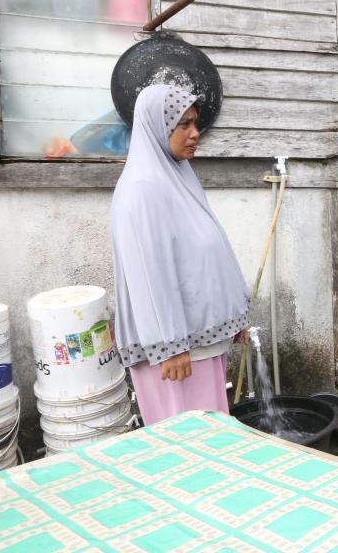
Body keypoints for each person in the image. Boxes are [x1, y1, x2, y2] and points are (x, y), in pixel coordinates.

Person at [111, 84, 250, 425]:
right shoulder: (143, 189)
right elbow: (149, 274)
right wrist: (169, 346)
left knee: (210, 436)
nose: (194, 134)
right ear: (158, 128)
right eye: (183, 124)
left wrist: (233, 314)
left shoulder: (177, 176)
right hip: (176, 351)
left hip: (196, 340)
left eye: (195, 123)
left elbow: (205, 250)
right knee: (186, 440)